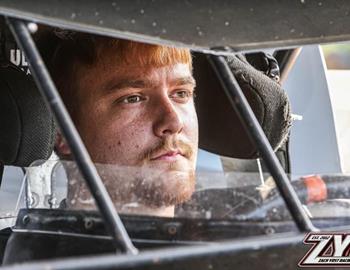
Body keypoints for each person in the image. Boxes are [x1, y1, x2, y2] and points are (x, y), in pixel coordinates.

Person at [40, 30, 198, 217]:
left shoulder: (226, 238)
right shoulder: (29, 246)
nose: (174, 122)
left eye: (181, 94)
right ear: (61, 132)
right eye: (133, 98)